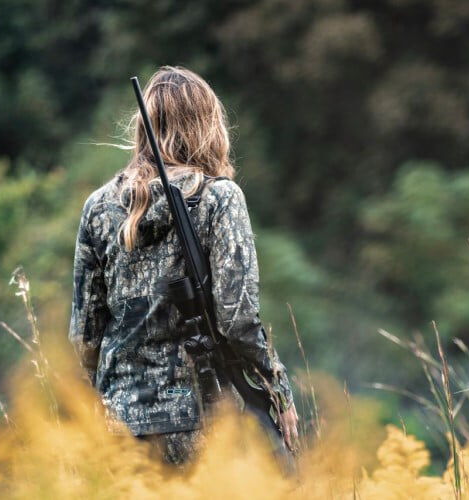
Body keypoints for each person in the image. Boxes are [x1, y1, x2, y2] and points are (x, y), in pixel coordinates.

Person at [68, 66, 299, 465]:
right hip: (202, 421)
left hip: (118, 425)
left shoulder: (98, 207)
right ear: (208, 127)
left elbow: (85, 338)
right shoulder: (219, 198)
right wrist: (278, 391)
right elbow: (238, 321)